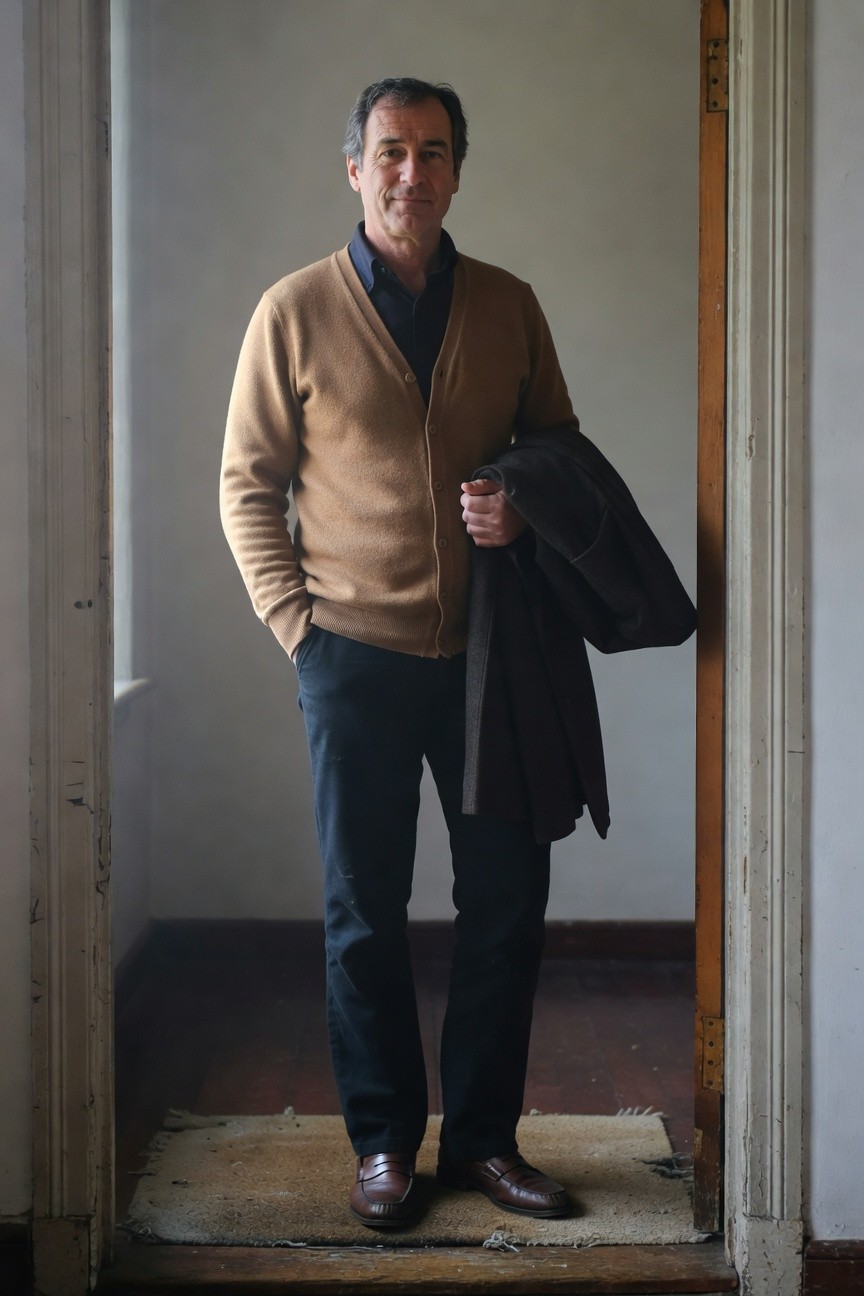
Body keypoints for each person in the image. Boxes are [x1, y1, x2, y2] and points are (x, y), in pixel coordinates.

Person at [220, 77, 580, 1228]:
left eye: (433, 152)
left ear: (459, 170)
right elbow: (246, 486)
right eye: (390, 152)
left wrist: (524, 512)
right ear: (355, 167)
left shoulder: (512, 306)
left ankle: (482, 1140)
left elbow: (561, 452)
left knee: (508, 900)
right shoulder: (294, 310)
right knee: (364, 913)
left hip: (491, 665)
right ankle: (382, 1145)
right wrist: (298, 630)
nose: (410, 173)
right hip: (355, 661)